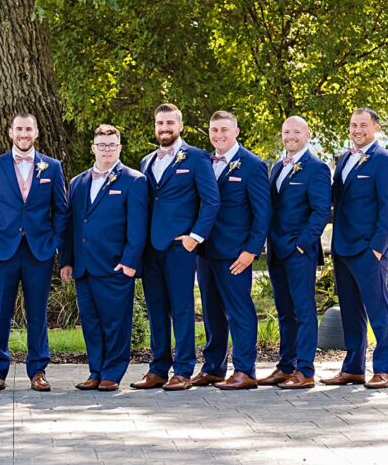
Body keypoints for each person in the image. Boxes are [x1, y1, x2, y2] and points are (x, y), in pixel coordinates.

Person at [130, 103, 220, 392]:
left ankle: (183, 370)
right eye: (160, 124)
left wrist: (196, 236)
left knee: (182, 309)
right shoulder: (146, 162)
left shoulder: (196, 158)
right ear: (155, 127)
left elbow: (211, 201)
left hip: (181, 247)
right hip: (151, 248)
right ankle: (157, 368)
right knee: (156, 309)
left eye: (170, 123)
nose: (164, 129)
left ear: (180, 126)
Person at [0, 113, 68, 392]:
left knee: (38, 313)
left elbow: (61, 210)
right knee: (0, 313)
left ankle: (38, 370)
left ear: (36, 132)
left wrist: (53, 242)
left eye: (28, 129)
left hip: (38, 251)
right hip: (3, 250)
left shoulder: (52, 167)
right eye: (19, 129)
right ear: (10, 132)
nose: (23, 134)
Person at [60, 125, 147, 391]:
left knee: (116, 324)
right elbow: (71, 225)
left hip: (115, 266)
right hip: (84, 267)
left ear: (119, 148)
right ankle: (95, 371)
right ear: (93, 148)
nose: (106, 149)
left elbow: (138, 226)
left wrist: (130, 262)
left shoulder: (134, 180)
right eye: (102, 144)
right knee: (92, 324)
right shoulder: (77, 182)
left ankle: (112, 374)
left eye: (111, 145)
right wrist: (67, 260)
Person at [321, 108, 388, 389]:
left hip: (368, 250)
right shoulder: (344, 158)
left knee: (379, 311)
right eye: (353, 125)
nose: (357, 130)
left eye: (363, 125)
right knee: (351, 312)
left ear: (376, 128)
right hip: (342, 248)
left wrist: (378, 249)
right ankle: (353, 368)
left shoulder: (385, 161)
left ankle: (384, 370)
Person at [192, 110, 271, 391]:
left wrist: (251, 250)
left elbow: (262, 214)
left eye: (224, 129)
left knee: (239, 311)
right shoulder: (202, 161)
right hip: (205, 250)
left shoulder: (252, 165)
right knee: (211, 312)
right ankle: (213, 367)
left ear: (236, 131)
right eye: (214, 130)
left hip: (235, 253)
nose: (219, 135)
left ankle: (245, 370)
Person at [256, 116, 332, 390]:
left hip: (299, 251)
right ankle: (285, 366)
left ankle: (305, 370)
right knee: (284, 311)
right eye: (286, 131)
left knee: (303, 310)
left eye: (296, 131)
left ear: (307, 134)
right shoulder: (278, 167)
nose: (290, 135)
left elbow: (321, 210)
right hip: (276, 250)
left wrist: (303, 242)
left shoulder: (317, 168)